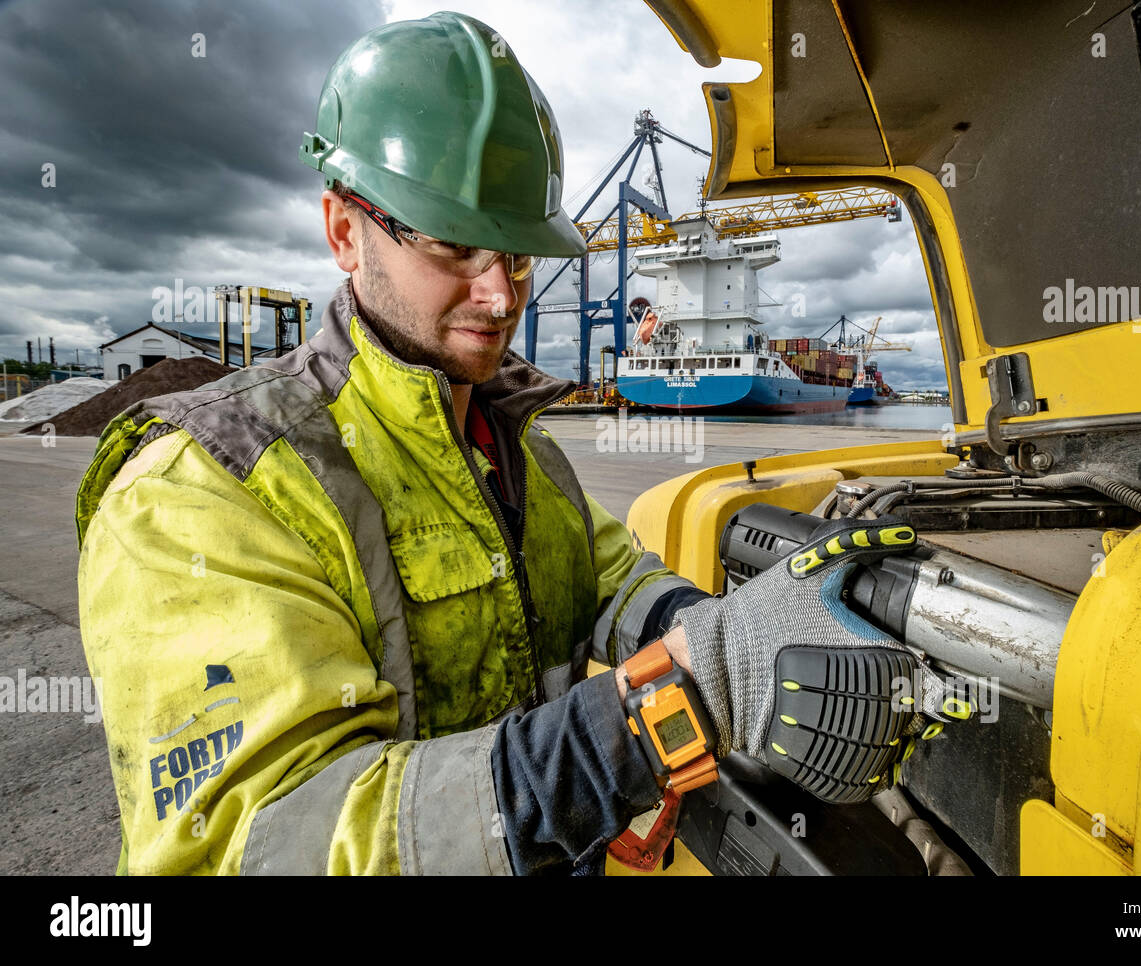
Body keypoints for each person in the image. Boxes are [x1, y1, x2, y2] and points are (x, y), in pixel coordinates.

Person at [76, 12, 936, 876]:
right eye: (455, 244)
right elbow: (264, 848)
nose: (500, 293)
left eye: (520, 254)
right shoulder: (200, 490)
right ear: (344, 231)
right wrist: (663, 711)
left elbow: (609, 576)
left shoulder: (519, 448)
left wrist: (724, 629)